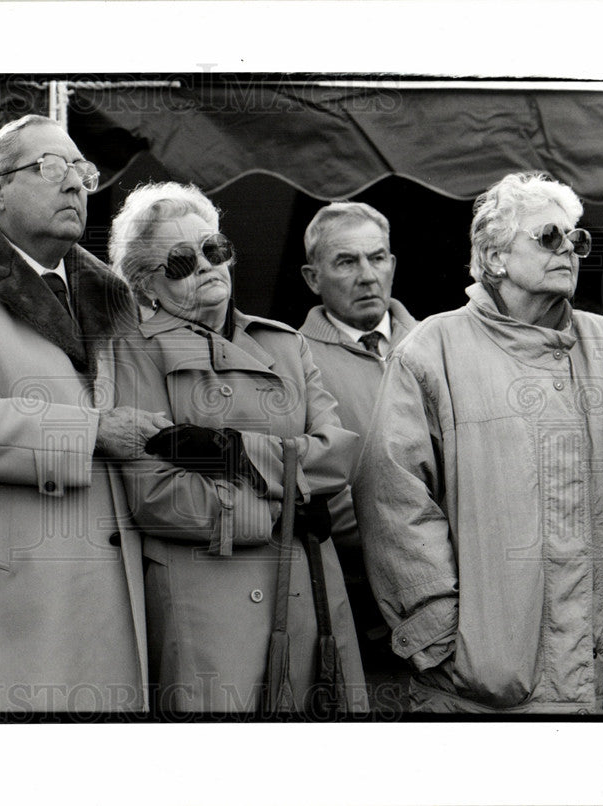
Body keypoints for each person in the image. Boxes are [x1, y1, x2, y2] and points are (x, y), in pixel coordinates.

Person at [0, 114, 171, 713]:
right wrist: (93, 431)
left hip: (112, 589)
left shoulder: (115, 297)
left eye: (82, 170)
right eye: (51, 167)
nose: (75, 184)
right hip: (2, 597)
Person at [354, 172, 603, 714]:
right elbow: (392, 501)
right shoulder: (431, 350)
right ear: (495, 256)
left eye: (578, 238)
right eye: (549, 236)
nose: (569, 248)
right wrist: (442, 638)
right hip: (478, 694)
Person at [108, 181, 368, 715]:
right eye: (180, 262)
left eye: (214, 249)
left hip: (306, 592)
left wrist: (226, 452)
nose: (206, 266)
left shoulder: (284, 344)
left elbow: (338, 455)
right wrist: (276, 514)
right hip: (207, 605)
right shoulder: (133, 354)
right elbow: (155, 493)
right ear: (146, 286)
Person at [298, 202, 417, 705]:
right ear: (312, 277)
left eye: (379, 257)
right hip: (362, 608)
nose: (368, 275)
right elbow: (320, 483)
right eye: (347, 261)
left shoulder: (438, 343)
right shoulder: (290, 357)